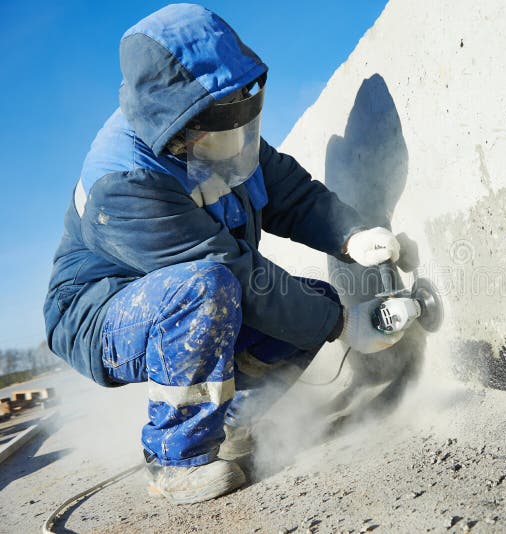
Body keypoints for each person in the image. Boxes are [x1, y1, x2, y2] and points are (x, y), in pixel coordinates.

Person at [43, 4, 405, 504]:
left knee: (309, 304)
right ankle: (177, 459)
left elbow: (290, 195)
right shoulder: (123, 179)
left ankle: (230, 423)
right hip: (99, 312)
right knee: (217, 291)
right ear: (178, 126)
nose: (238, 141)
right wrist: (342, 325)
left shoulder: (219, 129)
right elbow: (226, 270)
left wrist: (350, 234)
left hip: (195, 288)